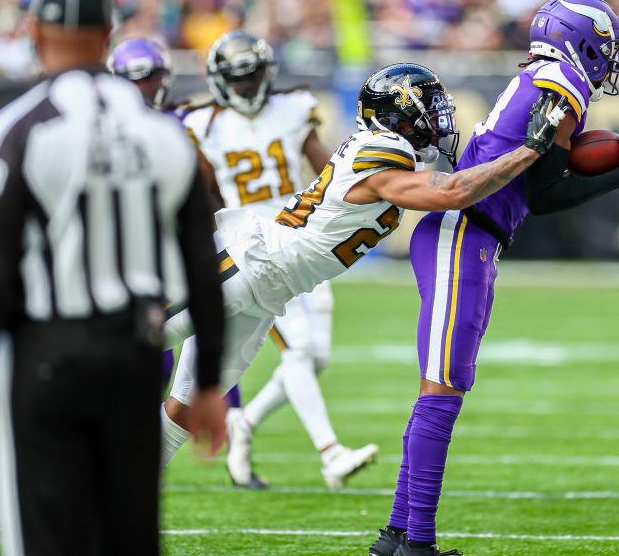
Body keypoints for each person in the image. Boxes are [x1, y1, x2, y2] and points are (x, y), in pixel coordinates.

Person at [159, 63, 573, 489]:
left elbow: (460, 188)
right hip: (246, 261)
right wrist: (529, 150)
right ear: (400, 112)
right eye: (430, 106)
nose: (439, 116)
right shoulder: (383, 146)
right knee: (133, 340)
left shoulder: (392, 151)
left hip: (269, 291)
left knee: (184, 411)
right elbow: (454, 192)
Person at [0, 0, 229, 555]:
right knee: (129, 537)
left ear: (36, 31)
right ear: (109, 30)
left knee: (44, 539)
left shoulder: (19, 129)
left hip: (46, 358)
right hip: (135, 356)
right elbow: (204, 264)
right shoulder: (165, 134)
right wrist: (211, 382)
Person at [368, 0, 619, 556]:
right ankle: (416, 541)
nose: (612, 60)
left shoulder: (546, 76)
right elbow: (544, 195)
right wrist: (616, 175)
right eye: (609, 47)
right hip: (463, 231)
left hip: (471, 233)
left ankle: (398, 536)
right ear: (583, 40)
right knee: (442, 391)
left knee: (441, 389)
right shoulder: (562, 82)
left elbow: (535, 188)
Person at [0, 34, 205, 488]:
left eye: (151, 81)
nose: (146, 92)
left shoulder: (170, 126)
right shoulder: (118, 129)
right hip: (120, 272)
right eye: (136, 82)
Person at [165, 30, 379, 490]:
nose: (246, 86)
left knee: (314, 356)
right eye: (237, 79)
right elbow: (203, 194)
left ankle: (247, 422)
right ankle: (331, 452)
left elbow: (329, 169)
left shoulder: (294, 108)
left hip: (301, 237)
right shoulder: (201, 124)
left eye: (253, 76)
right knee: (299, 350)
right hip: (250, 247)